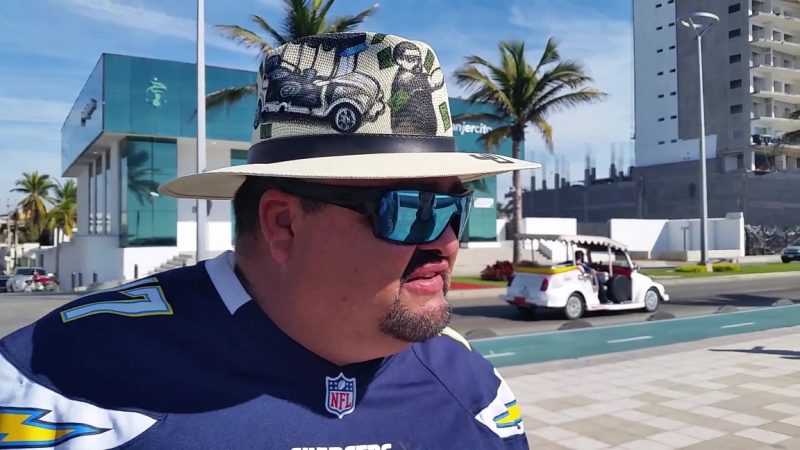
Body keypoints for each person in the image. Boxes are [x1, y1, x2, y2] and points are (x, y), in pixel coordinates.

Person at [0, 33, 539, 449]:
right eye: (413, 210)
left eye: (456, 209)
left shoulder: (474, 390)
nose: (446, 243)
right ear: (283, 225)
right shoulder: (60, 390)